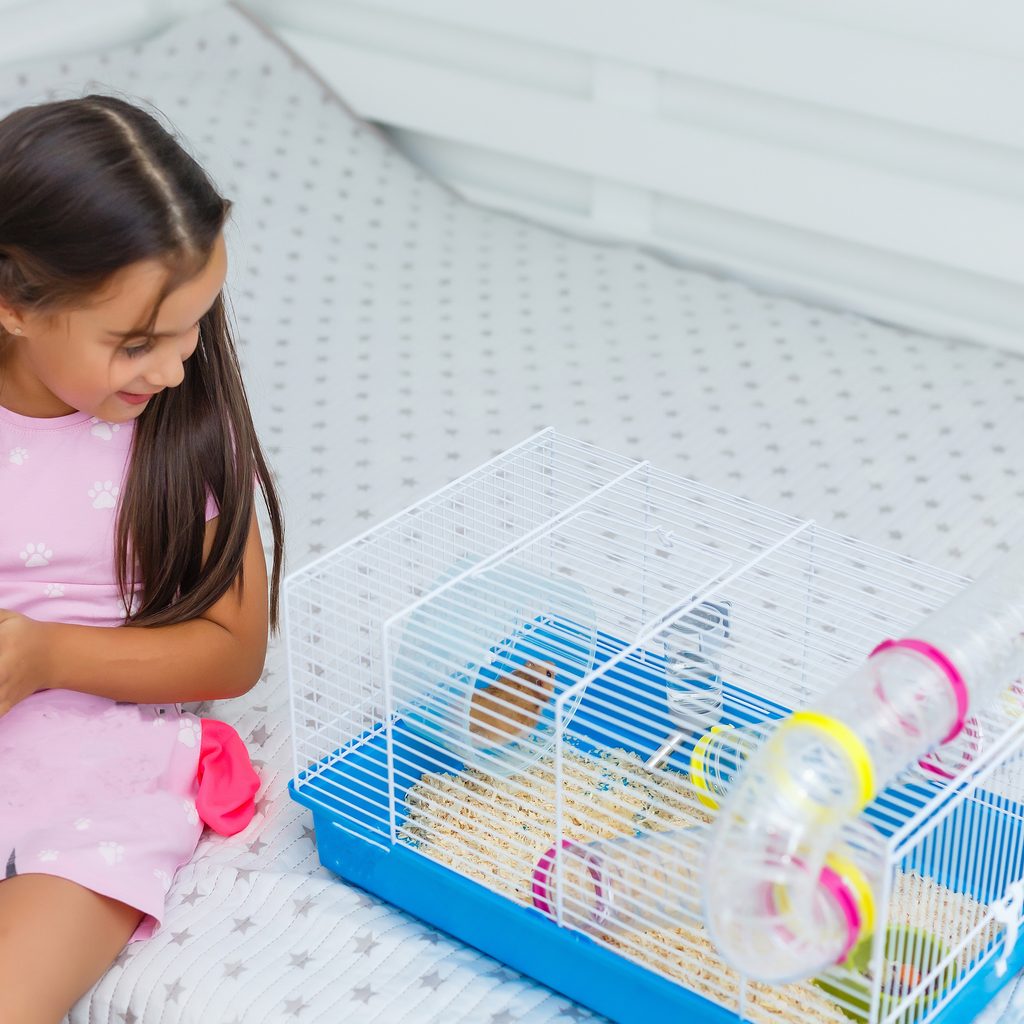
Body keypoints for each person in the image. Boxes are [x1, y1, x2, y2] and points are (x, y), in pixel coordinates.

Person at [0, 94, 284, 1024]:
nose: (175, 365)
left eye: (194, 323)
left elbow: (233, 653)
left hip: (99, 770)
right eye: (136, 342)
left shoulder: (185, 428)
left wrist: (43, 657)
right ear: (14, 306)